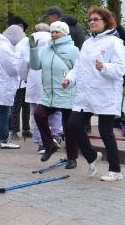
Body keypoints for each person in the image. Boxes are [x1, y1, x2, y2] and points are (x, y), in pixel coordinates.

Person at [69, 6, 125, 181]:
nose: (92, 22)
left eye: (96, 19)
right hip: (86, 93)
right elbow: (78, 67)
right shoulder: (87, 43)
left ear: (106, 22)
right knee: (74, 124)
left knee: (105, 131)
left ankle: (115, 171)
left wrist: (105, 67)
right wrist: (69, 79)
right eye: (90, 19)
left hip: (105, 93)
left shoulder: (115, 42)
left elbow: (120, 69)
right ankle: (92, 157)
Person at [30, 20, 80, 166]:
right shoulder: (46, 49)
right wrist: (33, 49)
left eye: (57, 31)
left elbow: (79, 71)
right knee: (39, 114)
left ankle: (72, 158)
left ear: (64, 33)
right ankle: (49, 145)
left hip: (67, 91)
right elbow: (35, 66)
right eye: (52, 31)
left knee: (69, 126)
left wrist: (72, 83)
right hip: (49, 93)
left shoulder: (73, 50)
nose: (54, 34)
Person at [26, 23, 62, 150]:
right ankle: (55, 136)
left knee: (36, 112)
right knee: (56, 111)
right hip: (50, 81)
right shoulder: (54, 41)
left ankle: (41, 142)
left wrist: (25, 78)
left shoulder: (29, 41)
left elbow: (24, 63)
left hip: (33, 80)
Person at [0, 22, 27, 149]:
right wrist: (20, 66)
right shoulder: (5, 47)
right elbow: (12, 69)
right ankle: (4, 139)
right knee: (4, 111)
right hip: (4, 83)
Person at [5, 15, 32, 144]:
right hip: (14, 78)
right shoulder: (8, 41)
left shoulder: (27, 40)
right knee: (15, 105)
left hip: (26, 77)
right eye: (17, 27)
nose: (20, 29)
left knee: (27, 106)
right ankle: (13, 129)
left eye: (21, 27)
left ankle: (26, 128)